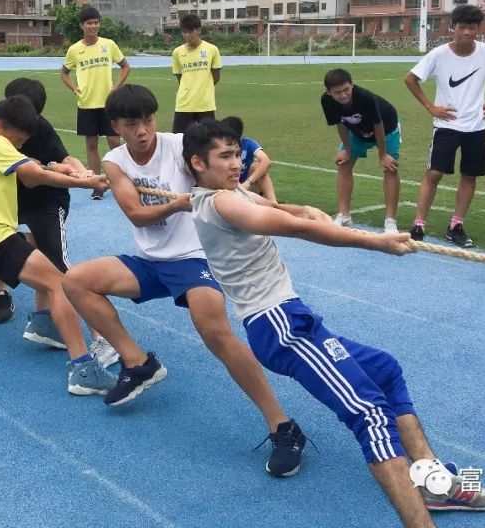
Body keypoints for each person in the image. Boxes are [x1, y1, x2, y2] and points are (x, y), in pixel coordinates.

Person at [183, 119, 485, 525]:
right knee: (370, 413)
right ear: (197, 163)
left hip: (293, 319)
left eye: (236, 154)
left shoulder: (230, 193)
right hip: (279, 326)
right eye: (224, 156)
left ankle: (433, 482)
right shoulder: (220, 202)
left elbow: (273, 208)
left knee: (384, 370)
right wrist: (374, 241)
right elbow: (291, 227)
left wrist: (303, 207)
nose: (235, 163)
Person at [62, 84, 305, 477]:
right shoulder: (115, 161)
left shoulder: (178, 146)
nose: (142, 130)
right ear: (116, 126)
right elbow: (137, 214)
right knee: (76, 281)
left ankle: (282, 426)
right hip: (150, 262)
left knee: (217, 335)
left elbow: (232, 183)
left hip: (194, 259)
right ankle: (137, 362)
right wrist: (177, 202)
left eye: (147, 120)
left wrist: (290, 210)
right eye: (131, 123)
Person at [0, 96, 114, 395]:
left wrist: (67, 170)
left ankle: (45, 324)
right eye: (18, 141)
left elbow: (34, 164)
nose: (18, 147)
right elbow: (33, 176)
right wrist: (86, 184)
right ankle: (83, 369)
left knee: (43, 260)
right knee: (60, 283)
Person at [4, 78, 113, 359]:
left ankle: (102, 338)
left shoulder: (41, 129)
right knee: (38, 262)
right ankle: (45, 322)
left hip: (47, 205)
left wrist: (83, 171)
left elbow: (64, 158)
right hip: (15, 204)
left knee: (62, 269)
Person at [404, 4, 485, 247]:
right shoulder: (438, 54)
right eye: (462, 27)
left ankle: (456, 225)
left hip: (477, 126)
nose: (467, 33)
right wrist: (431, 107)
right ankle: (419, 224)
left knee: (469, 175)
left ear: (478, 28)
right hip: (446, 125)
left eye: (472, 27)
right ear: (453, 27)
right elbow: (410, 79)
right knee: (434, 173)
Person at [60, 6, 131, 199]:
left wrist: (115, 87)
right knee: (91, 144)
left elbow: (125, 67)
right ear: (82, 25)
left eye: (96, 22)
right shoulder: (75, 50)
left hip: (107, 104)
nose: (93, 26)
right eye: (89, 23)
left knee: (114, 142)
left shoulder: (109, 44)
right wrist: (74, 88)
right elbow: (64, 73)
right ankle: (97, 184)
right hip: (86, 105)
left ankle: (124, 180)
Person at [319, 69, 402, 233]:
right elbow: (340, 123)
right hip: (356, 130)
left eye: (346, 89)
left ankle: (390, 222)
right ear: (329, 92)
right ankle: (344, 216)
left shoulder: (365, 98)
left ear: (352, 84)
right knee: (344, 164)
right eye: (337, 92)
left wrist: (383, 155)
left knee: (389, 168)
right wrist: (348, 150)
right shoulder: (327, 101)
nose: (343, 95)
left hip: (386, 128)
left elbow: (378, 125)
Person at [171, 13, 222, 132]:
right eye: (184, 32)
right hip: (183, 105)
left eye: (190, 31)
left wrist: (203, 87)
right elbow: (180, 77)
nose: (187, 35)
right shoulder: (177, 52)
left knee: (208, 143)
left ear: (198, 30)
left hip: (205, 105)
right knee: (179, 142)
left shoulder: (212, 50)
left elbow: (216, 76)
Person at [219, 116, 277, 203]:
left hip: (247, 186)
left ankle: (273, 203)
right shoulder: (218, 147)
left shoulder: (248, 143)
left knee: (257, 166)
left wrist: (247, 183)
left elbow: (266, 161)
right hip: (226, 186)